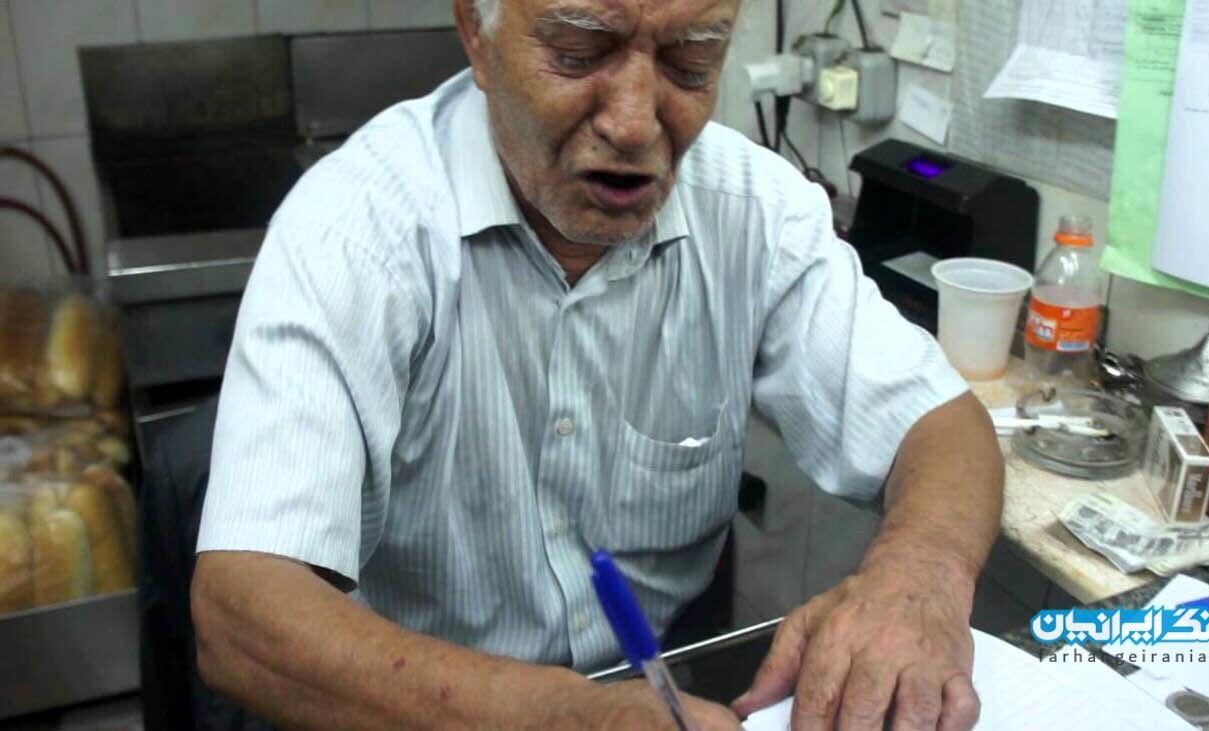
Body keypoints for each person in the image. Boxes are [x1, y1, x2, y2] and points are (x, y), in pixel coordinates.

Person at [191, 0, 1004, 728]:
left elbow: (939, 423)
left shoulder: (756, 210)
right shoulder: (356, 230)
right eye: (578, 53)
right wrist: (567, 717)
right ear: (475, 31)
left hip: (660, 690)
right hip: (418, 706)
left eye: (691, 62)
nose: (635, 123)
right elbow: (241, 614)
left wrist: (918, 578)